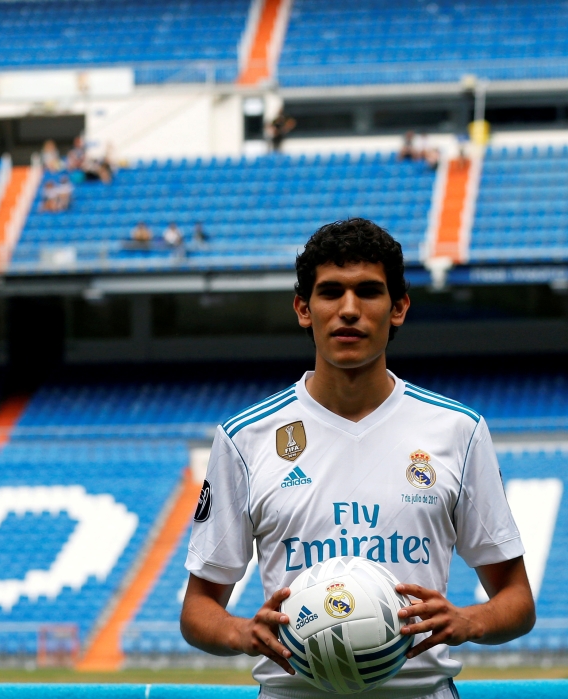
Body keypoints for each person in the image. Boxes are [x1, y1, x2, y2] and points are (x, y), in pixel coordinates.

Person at [180, 218, 534, 699]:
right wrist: (241, 633)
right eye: (330, 293)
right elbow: (198, 610)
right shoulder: (245, 438)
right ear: (304, 310)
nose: (349, 310)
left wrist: (468, 620)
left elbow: (517, 601)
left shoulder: (458, 431)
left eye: (368, 291)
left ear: (399, 308)